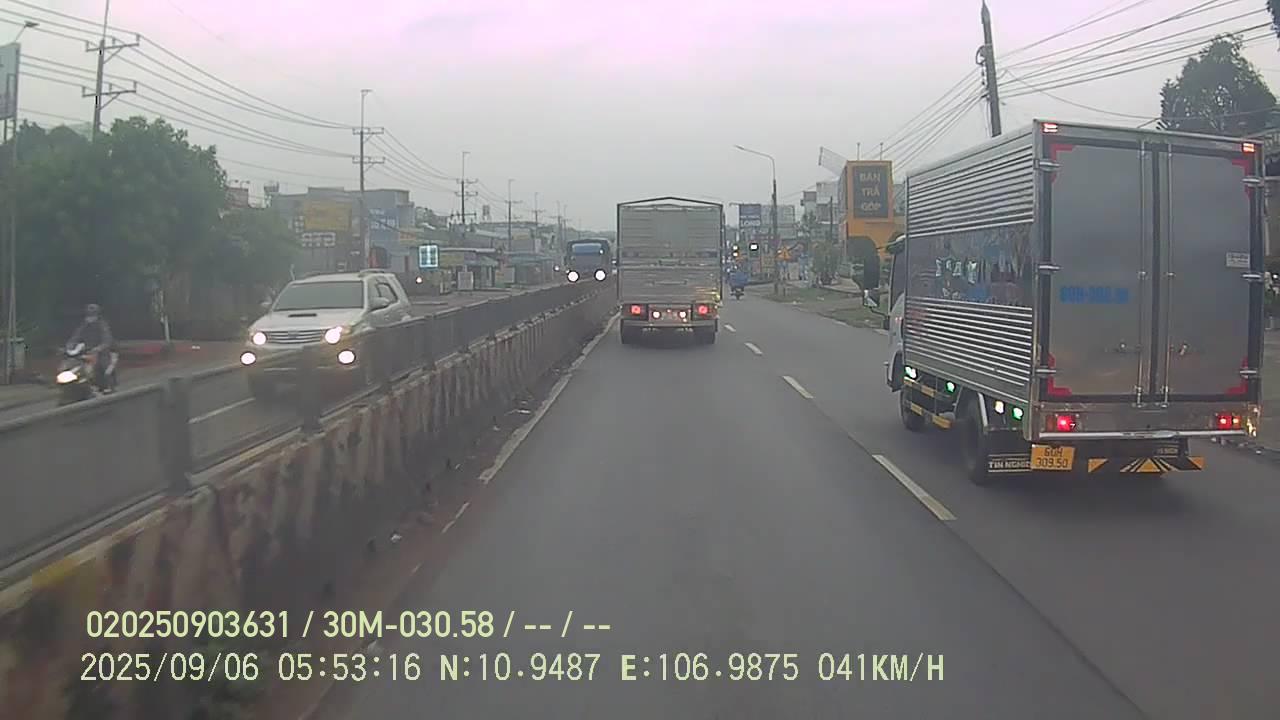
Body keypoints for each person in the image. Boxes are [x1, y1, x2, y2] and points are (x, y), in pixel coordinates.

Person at [69, 303, 116, 392]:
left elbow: (107, 340)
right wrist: (70, 346)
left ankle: (108, 385)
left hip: (102, 351)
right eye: (88, 315)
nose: (90, 317)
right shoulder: (84, 326)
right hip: (88, 351)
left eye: (92, 315)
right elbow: (75, 337)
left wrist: (99, 348)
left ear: (97, 315)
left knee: (104, 364)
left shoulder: (102, 325)